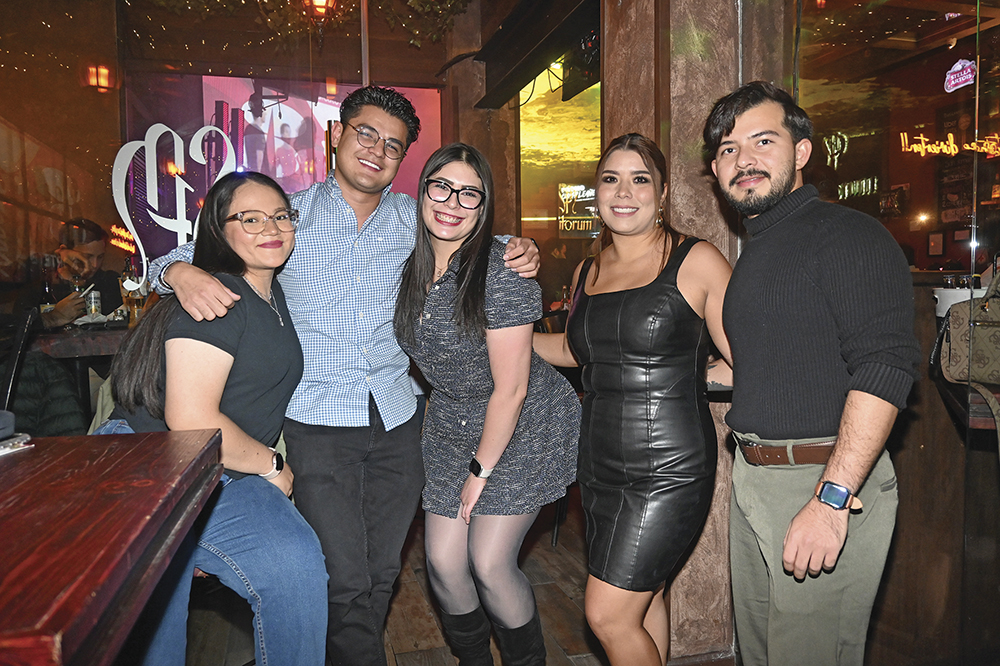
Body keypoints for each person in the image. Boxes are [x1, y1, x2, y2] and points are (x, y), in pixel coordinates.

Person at [147, 85, 539, 665]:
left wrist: (520, 249)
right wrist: (177, 273)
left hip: (399, 417)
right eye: (366, 134)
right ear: (336, 135)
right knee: (342, 577)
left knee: (381, 573)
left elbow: (478, 238)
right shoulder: (289, 216)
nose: (377, 150)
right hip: (318, 421)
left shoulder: (414, 219)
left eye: (393, 145)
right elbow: (183, 254)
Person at [703, 81, 920, 665]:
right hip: (754, 478)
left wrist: (831, 499)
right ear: (716, 170)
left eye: (762, 141)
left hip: (822, 479)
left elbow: (885, 365)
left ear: (801, 151)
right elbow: (769, 367)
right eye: (727, 149)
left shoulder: (847, 234)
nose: (743, 159)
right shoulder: (760, 250)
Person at [92, 171, 328, 665]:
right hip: (153, 462)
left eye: (281, 216)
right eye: (251, 219)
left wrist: (176, 270)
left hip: (220, 470)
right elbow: (191, 418)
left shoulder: (271, 292)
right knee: (157, 628)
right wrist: (271, 465)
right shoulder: (218, 294)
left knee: (297, 568)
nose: (271, 228)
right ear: (221, 229)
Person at [533, 133, 733, 665]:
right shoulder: (588, 271)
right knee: (646, 600)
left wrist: (686, 376)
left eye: (640, 179)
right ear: (596, 192)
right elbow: (577, 351)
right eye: (610, 179)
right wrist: (506, 340)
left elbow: (746, 360)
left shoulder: (696, 260)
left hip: (669, 468)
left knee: (608, 615)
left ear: (662, 193)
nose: (624, 192)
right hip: (598, 465)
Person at [394, 143, 580, 666]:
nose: (452, 203)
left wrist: (480, 471)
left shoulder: (501, 269)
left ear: (483, 206)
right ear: (423, 191)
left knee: (490, 563)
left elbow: (512, 389)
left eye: (469, 194)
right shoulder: (407, 265)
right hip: (450, 422)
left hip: (522, 420)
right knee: (442, 564)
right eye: (442, 187)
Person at [18, 217, 123, 328]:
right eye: (87, 256)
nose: (95, 264)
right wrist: (53, 317)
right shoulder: (41, 288)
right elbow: (20, 327)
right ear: (64, 252)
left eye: (100, 257)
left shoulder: (109, 282)